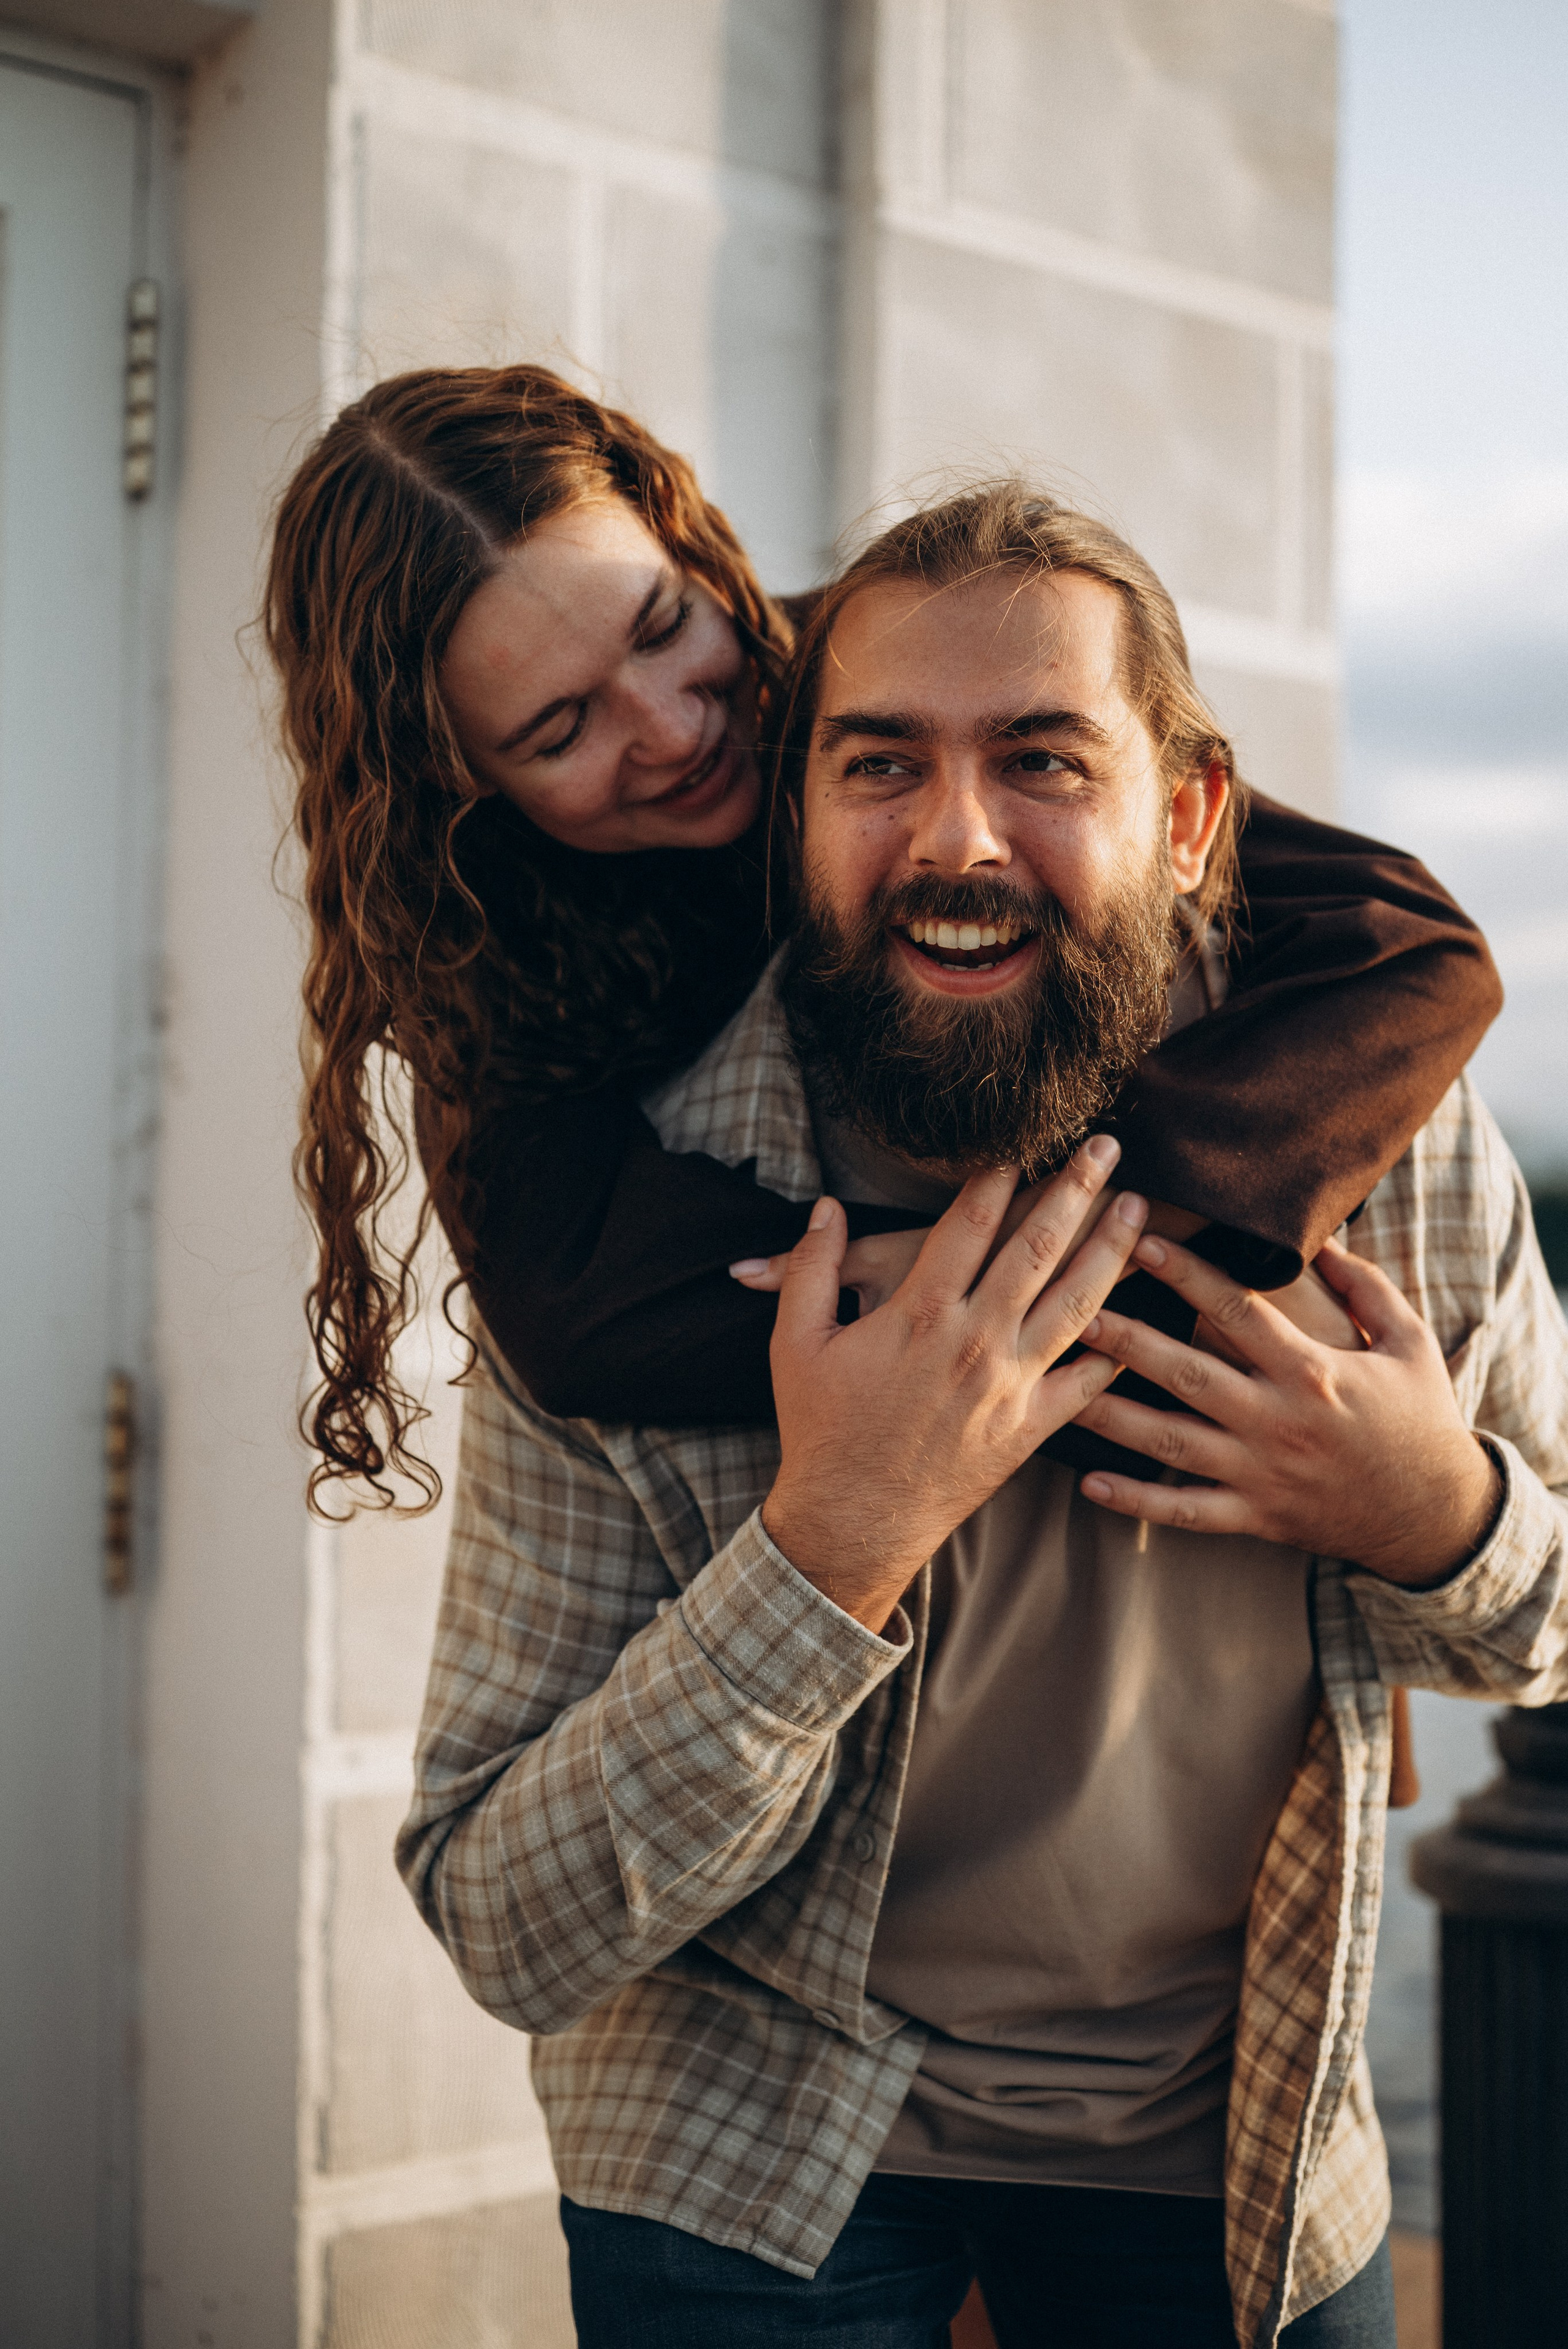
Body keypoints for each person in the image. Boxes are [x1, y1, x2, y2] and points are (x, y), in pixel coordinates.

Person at [396, 484, 1568, 2349]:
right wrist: (832, 1540)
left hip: (1241, 2142)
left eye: (1041, 760)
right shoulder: (631, 1210)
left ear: (1188, 819)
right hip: (739, 2154)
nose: (957, 838)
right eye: (880, 766)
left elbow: (1546, 1628)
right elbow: (507, 1921)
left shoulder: (1391, 1147)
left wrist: (1431, 1506)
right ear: (798, 817)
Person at [264, 365, 1500, 1515]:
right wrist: (905, 1293)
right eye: (558, 727)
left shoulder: (867, 679)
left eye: (658, 624)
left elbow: (1402, 941)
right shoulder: (479, 950)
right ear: (457, 780)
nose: (672, 725)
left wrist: (1120, 1218)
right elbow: (572, 1309)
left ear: (686, 544)